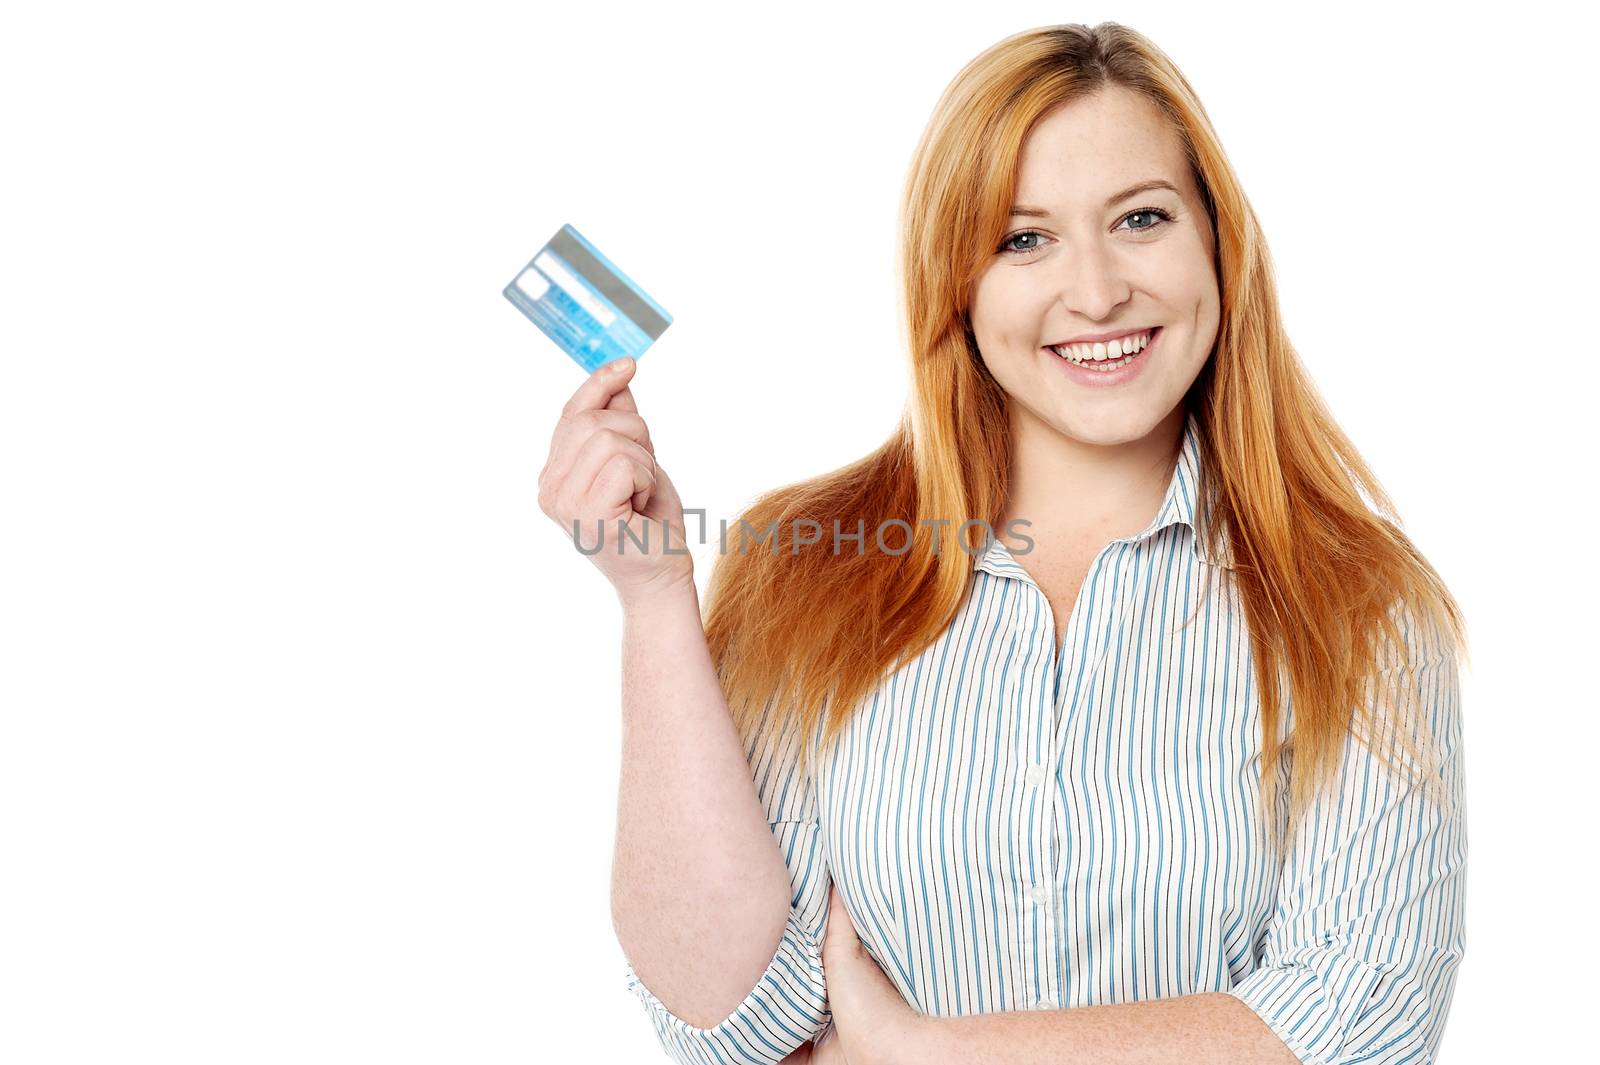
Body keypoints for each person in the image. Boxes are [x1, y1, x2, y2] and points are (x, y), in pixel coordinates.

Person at [538, 21, 1468, 1065]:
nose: (1098, 290)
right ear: (958, 284)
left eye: (1141, 218)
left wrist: (923, 1053)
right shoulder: (805, 562)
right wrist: (656, 597)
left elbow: (1365, 1021)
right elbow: (728, 1025)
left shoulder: (1355, 602)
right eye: (1023, 239)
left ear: (1217, 243)